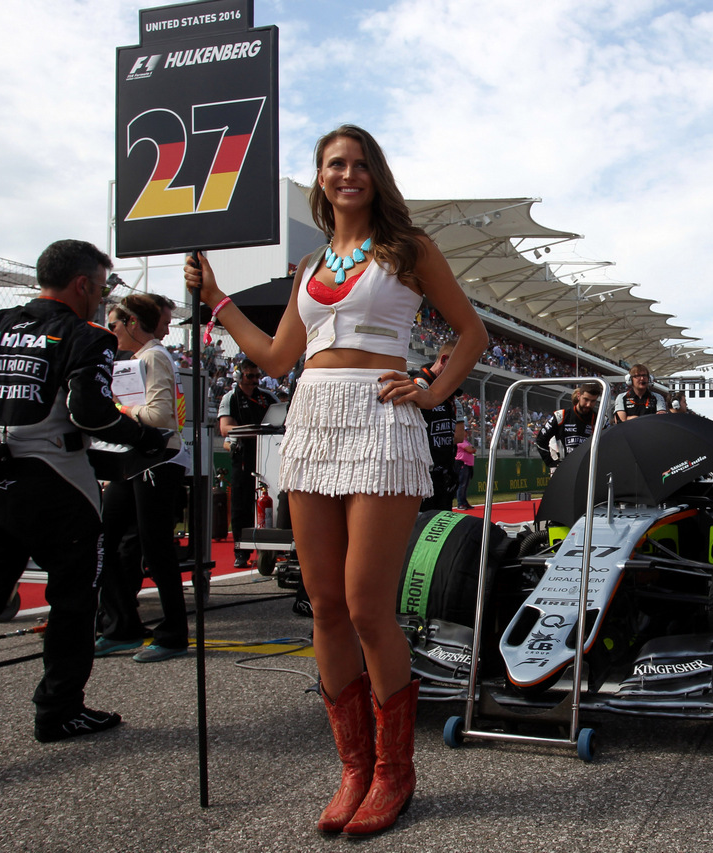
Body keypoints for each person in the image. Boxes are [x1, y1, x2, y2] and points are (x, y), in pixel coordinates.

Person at [184, 125, 488, 836]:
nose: (346, 174)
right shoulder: (310, 264)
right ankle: (353, 767)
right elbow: (279, 353)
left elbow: (468, 332)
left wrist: (432, 390)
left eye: (358, 164)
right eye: (333, 164)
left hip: (380, 420)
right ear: (320, 177)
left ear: (375, 175)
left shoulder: (408, 250)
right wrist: (220, 301)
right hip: (313, 419)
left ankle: (394, 771)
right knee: (322, 601)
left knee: (365, 605)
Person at [0, 239, 167, 743]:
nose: (102, 297)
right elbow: (89, 412)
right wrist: (144, 437)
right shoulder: (86, 335)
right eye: (101, 285)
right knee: (74, 599)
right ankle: (59, 709)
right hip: (57, 482)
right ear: (83, 284)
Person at [94, 294, 192, 663]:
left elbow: (160, 415)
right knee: (109, 540)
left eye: (115, 324)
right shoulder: (135, 358)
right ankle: (121, 626)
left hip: (157, 459)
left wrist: (119, 409)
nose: (111, 330)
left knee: (156, 549)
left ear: (133, 323)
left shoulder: (153, 356)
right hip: (133, 459)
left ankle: (173, 633)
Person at [218, 359, 280, 567]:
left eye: (256, 376)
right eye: (249, 376)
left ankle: (273, 546)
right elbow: (225, 428)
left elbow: (282, 418)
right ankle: (241, 551)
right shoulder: (230, 398)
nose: (254, 381)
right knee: (241, 504)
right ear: (238, 376)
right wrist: (249, 428)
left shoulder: (267, 396)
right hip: (243, 454)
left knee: (271, 499)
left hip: (268, 454)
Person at [414, 340, 466, 513]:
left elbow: (454, 436)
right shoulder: (419, 386)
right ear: (444, 360)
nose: (460, 375)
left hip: (443, 475)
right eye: (457, 368)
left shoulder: (449, 393)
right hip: (422, 478)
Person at [535, 383, 600, 470]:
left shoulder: (600, 420)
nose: (588, 404)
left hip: (590, 469)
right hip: (565, 468)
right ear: (578, 396)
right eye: (586, 399)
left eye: (593, 401)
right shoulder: (561, 416)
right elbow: (540, 440)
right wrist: (551, 462)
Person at [454, 434, 475, 510]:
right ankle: (460, 503)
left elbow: (472, 449)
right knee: (462, 484)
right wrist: (472, 449)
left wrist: (472, 448)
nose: (466, 432)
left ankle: (464, 502)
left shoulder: (466, 441)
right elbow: (470, 449)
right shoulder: (461, 440)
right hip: (462, 464)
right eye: (465, 431)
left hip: (468, 464)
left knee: (465, 485)